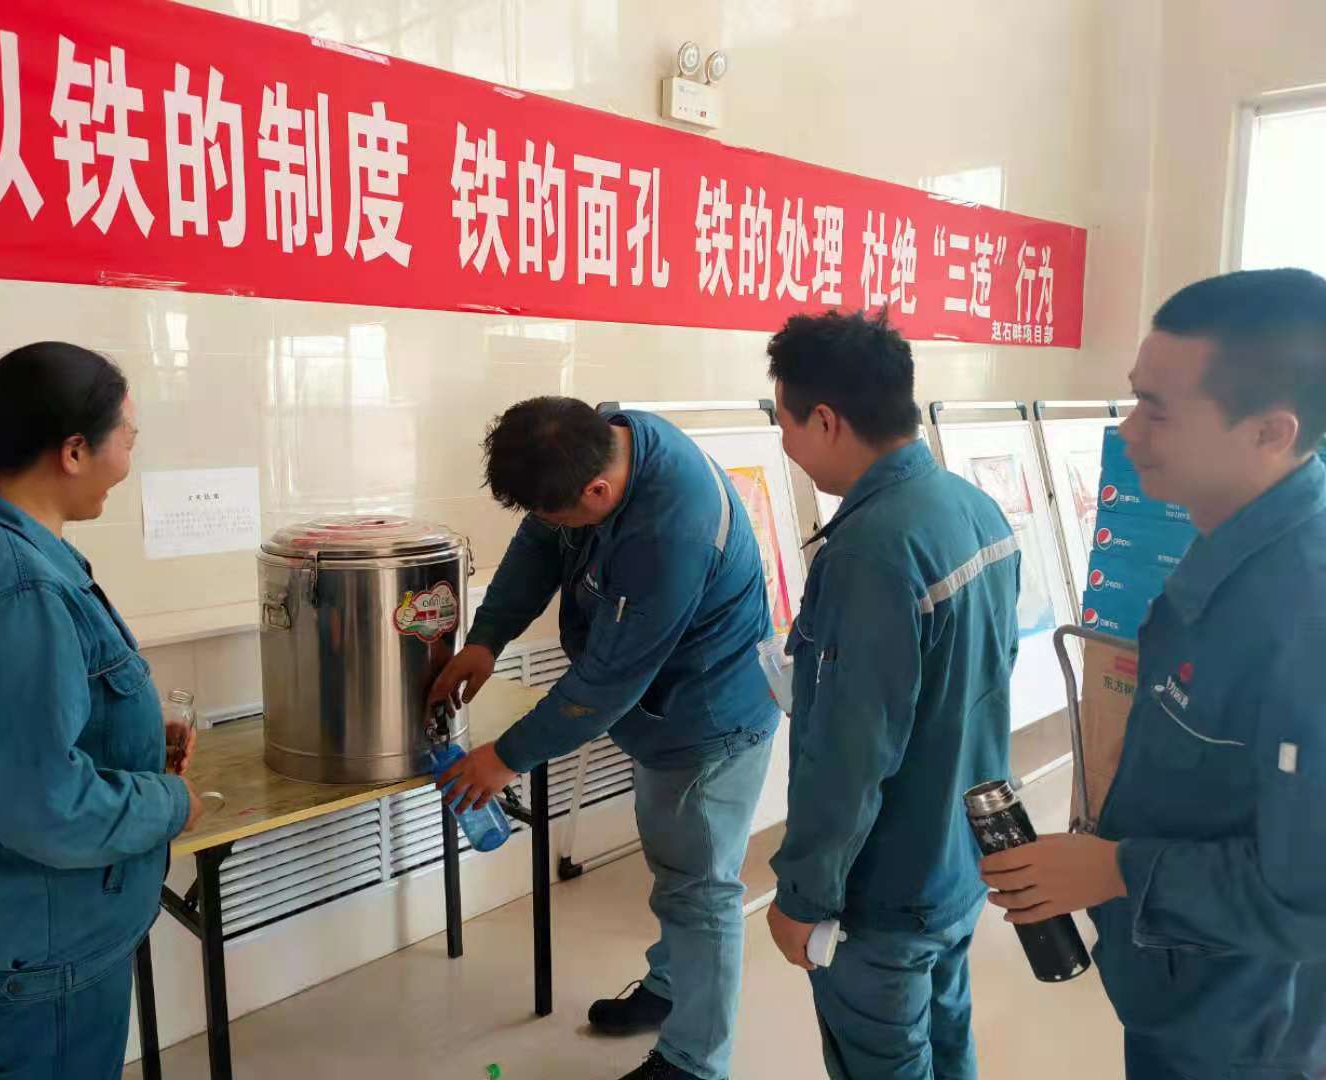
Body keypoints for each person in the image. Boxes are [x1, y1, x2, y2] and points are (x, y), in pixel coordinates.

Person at [980, 268, 1326, 1080]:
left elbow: (1309, 898)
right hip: (1176, 983)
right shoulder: (1223, 545)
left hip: (1246, 1030)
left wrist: (1113, 870)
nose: (1128, 432)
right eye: (1134, 398)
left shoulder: (1305, 619)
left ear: (1269, 433)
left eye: (1156, 410)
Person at [429, 397, 777, 1080]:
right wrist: (486, 638)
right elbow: (538, 544)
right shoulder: (603, 442)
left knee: (700, 891)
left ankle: (694, 1062)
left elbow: (606, 681)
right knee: (679, 873)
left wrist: (506, 758)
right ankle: (670, 988)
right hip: (661, 713)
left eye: (561, 515)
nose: (553, 526)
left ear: (596, 492)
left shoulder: (671, 533)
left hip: (709, 721)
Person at [0, 342, 205, 1079]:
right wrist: (172, 803)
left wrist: (133, 734)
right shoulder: (18, 584)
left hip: (35, 922)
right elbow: (41, 804)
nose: (129, 456)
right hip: (48, 938)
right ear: (74, 451)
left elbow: (22, 728)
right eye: (127, 437)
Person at [763, 310, 1021, 1080]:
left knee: (884, 1056)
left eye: (784, 423)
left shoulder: (871, 551)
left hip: (885, 889)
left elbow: (853, 751)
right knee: (945, 1038)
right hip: (957, 856)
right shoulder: (974, 507)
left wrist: (804, 894)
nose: (785, 443)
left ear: (825, 420)